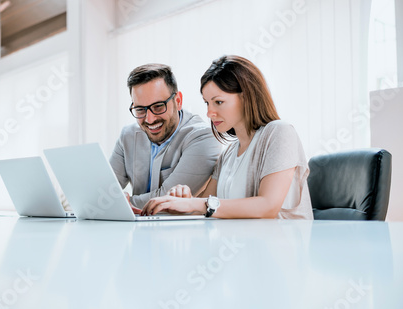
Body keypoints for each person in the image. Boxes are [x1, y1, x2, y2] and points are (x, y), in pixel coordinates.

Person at [141, 55, 313, 219]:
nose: (209, 113)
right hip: (244, 244)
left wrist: (196, 204)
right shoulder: (229, 154)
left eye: (219, 102)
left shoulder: (279, 132)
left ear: (246, 97)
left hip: (283, 246)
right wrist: (183, 201)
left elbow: (268, 206)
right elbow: (205, 207)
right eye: (207, 103)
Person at [110, 63, 222, 209]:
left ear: (178, 101)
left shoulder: (204, 137)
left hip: (182, 230)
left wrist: (119, 204)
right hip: (136, 229)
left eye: (158, 107)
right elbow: (104, 191)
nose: (149, 119)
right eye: (140, 109)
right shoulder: (128, 135)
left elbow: (167, 201)